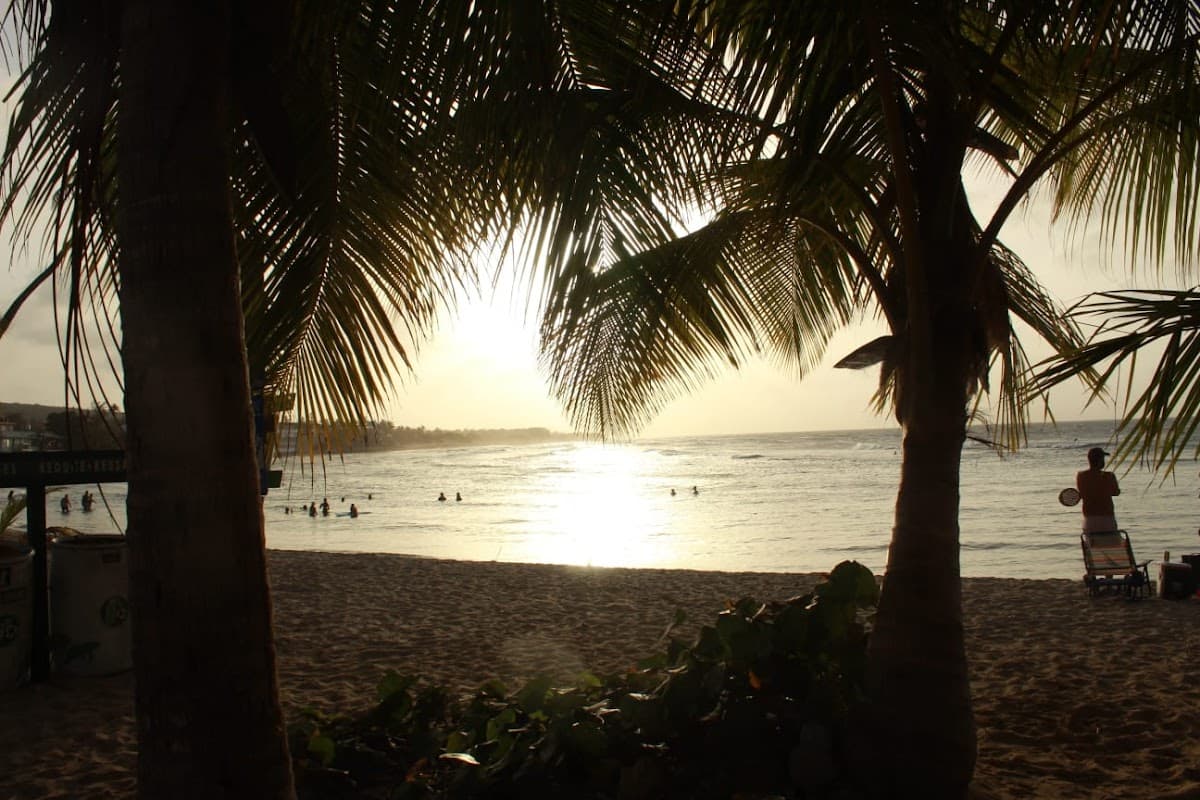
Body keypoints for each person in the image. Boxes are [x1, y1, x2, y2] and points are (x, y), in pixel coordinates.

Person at [1077, 447, 1120, 532]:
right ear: (1100, 460)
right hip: (1107, 518)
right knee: (1110, 544)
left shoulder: (1081, 476)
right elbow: (1116, 492)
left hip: (1089, 518)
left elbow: (1082, 493)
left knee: (1092, 544)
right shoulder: (1109, 476)